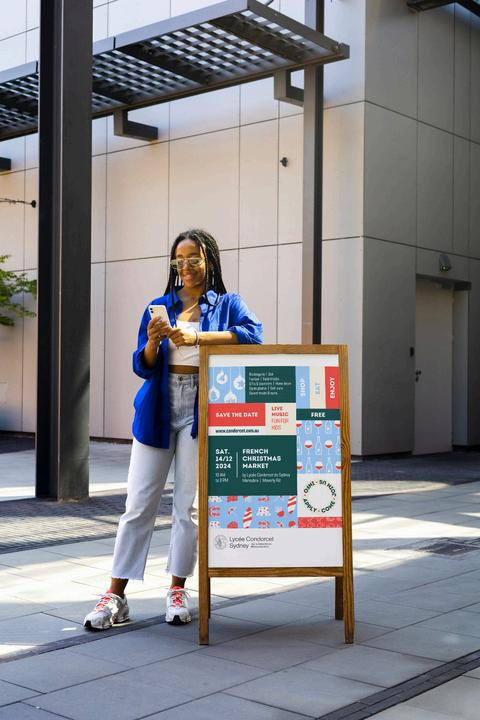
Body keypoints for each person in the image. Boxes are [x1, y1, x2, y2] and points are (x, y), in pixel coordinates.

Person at [84, 229, 263, 630]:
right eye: (178, 260)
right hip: (159, 407)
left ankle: (177, 588)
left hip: (202, 409)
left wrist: (197, 336)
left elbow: (254, 336)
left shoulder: (228, 304)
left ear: (209, 260)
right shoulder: (160, 306)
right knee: (138, 504)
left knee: (188, 508)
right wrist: (152, 343)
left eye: (193, 259)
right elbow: (142, 365)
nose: (185, 267)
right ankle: (115, 594)